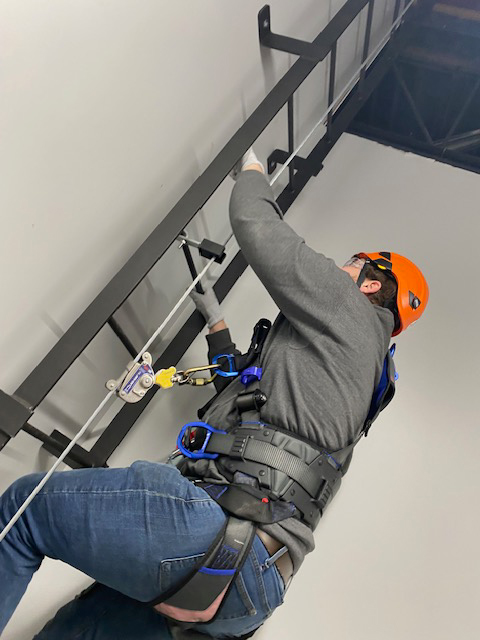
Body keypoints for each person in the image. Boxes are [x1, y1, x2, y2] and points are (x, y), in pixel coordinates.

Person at [0, 150, 429, 639]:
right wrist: (217, 324)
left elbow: (254, 220)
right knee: (81, 631)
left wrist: (249, 170)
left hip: (212, 531)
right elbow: (250, 408)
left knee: (25, 512)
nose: (338, 270)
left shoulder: (346, 304)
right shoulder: (366, 382)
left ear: (370, 283)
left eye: (349, 267)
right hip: (253, 591)